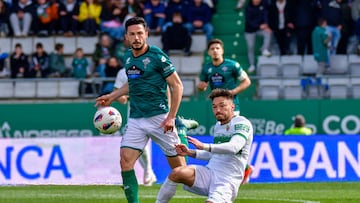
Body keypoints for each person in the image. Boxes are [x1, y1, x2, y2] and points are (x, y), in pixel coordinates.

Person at [95, 17, 186, 203]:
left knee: (182, 173)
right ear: (126, 37)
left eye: (139, 33)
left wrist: (171, 117)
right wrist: (111, 97)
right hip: (136, 118)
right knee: (125, 161)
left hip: (160, 118)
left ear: (146, 34)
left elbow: (177, 86)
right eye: (132, 34)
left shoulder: (157, 56)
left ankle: (181, 130)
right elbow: (132, 83)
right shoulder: (128, 58)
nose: (136, 37)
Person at [156, 88, 254, 203]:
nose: (218, 110)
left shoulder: (241, 123)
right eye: (214, 107)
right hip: (209, 172)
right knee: (177, 172)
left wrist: (204, 146)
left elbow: (234, 147)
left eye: (222, 106)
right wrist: (189, 152)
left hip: (227, 180)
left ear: (232, 106)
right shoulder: (218, 126)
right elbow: (213, 154)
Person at [197, 38, 253, 185]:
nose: (215, 50)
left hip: (231, 108)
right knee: (223, 138)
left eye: (217, 48)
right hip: (218, 107)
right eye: (212, 49)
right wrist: (201, 86)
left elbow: (247, 81)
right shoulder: (207, 68)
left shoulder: (232, 65)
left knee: (232, 139)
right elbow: (201, 85)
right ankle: (245, 168)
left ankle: (241, 169)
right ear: (208, 52)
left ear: (222, 50)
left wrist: (233, 92)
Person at [244, 0, 272, 73]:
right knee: (250, 47)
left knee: (268, 32)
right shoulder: (248, 8)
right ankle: (252, 65)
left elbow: (265, 15)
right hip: (250, 31)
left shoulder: (263, 5)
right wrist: (259, 25)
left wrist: (266, 24)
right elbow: (249, 22)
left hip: (259, 29)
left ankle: (264, 49)